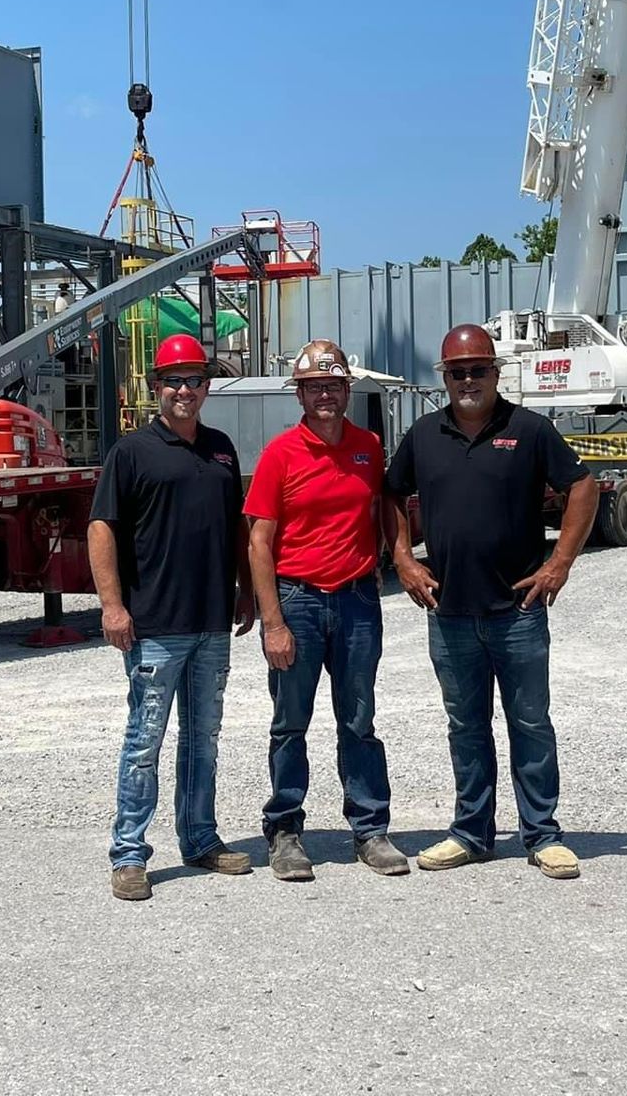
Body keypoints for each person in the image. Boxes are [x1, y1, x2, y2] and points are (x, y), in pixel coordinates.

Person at [385, 323, 599, 880]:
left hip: (517, 613)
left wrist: (560, 563)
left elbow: (583, 486)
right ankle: (471, 833)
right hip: (450, 612)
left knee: (530, 722)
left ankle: (543, 835)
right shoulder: (425, 434)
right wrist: (404, 559)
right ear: (445, 378)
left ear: (496, 373)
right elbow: (390, 493)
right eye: (457, 372)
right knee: (466, 727)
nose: (468, 380)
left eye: (478, 369)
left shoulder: (528, 429)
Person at [90, 333, 257, 900]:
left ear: (207, 387)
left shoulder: (221, 448)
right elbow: (101, 529)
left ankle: (200, 838)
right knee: (145, 741)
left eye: (195, 380)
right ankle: (129, 854)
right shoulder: (131, 452)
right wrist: (113, 606)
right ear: (155, 387)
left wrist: (245, 591)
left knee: (202, 738)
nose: (185, 390)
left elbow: (236, 525)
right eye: (174, 380)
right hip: (156, 626)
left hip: (212, 621)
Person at [245, 339, 407, 881]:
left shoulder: (368, 448)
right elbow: (259, 542)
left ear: (347, 390)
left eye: (333, 386)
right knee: (291, 722)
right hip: (299, 600)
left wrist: (394, 555)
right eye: (314, 387)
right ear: (300, 394)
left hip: (358, 598)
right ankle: (286, 830)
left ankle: (370, 829)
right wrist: (273, 623)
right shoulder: (280, 454)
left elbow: (386, 507)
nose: (325, 396)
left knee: (358, 720)